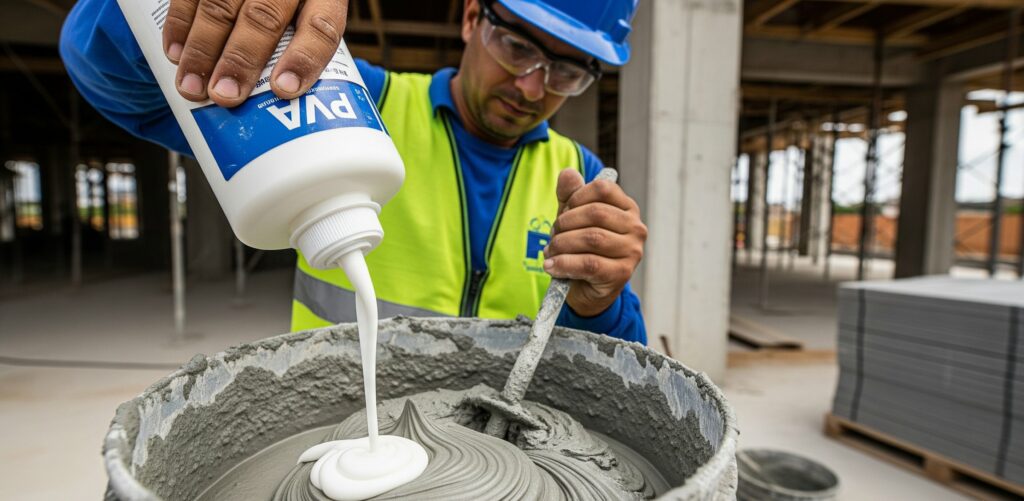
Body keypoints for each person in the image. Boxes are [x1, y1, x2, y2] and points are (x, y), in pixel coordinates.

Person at [60, 0, 649, 343]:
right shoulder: (349, 109)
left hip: (497, 461)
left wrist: (602, 300)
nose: (532, 87)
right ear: (472, 17)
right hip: (336, 432)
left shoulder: (580, 175)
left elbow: (611, 375)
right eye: (518, 48)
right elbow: (113, 77)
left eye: (567, 73)